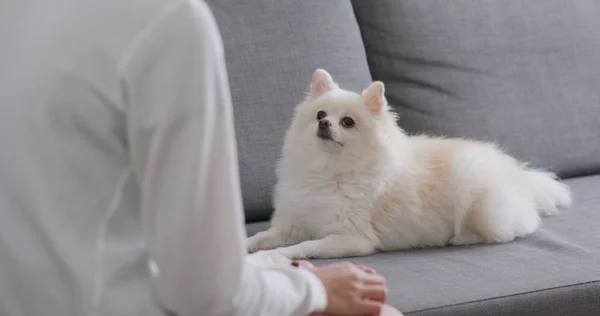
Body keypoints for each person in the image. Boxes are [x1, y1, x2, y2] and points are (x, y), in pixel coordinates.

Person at [0, 0, 404, 315]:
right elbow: (206, 294)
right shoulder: (170, 24)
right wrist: (316, 290)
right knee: (378, 310)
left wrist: (268, 268)